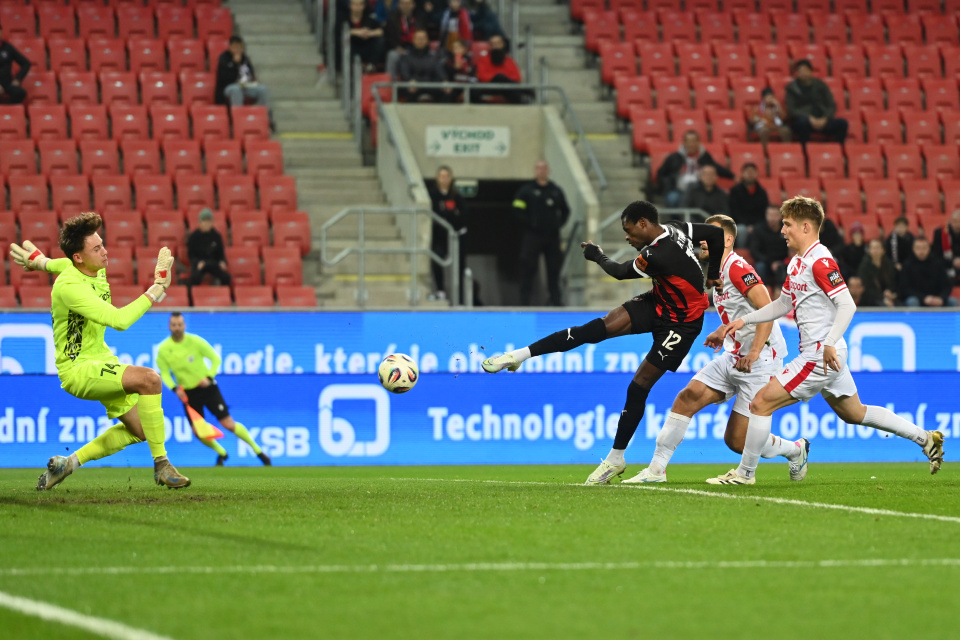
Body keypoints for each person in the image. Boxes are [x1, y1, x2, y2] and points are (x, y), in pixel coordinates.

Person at [482, 201, 726, 485]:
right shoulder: (678, 229)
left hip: (681, 324)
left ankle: (616, 459)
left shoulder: (659, 253)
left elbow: (620, 272)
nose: (627, 237)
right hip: (658, 302)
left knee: (638, 386)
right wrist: (714, 274)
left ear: (644, 223)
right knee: (592, 330)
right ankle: (519, 355)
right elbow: (715, 235)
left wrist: (597, 255)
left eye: (629, 230)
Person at [710, 195, 943, 485]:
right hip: (826, 353)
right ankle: (925, 438)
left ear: (806, 227)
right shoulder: (797, 262)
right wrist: (745, 319)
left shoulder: (820, 261)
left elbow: (848, 304)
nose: (782, 230)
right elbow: (783, 304)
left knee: (759, 403)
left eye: (787, 224)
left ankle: (745, 474)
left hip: (819, 354)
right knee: (855, 413)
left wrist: (830, 342)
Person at [9, 213, 191, 490]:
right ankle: (162, 465)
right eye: (96, 249)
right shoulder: (69, 287)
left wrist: (40, 262)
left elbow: (61, 263)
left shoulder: (91, 267)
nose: (105, 252)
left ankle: (68, 464)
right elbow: (118, 321)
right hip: (78, 370)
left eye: (102, 244)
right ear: (79, 257)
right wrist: (158, 289)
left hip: (101, 359)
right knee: (150, 380)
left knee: (144, 431)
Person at [625, 214, 806, 485]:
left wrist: (755, 351)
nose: (703, 241)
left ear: (729, 240)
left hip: (760, 359)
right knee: (688, 396)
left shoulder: (736, 267)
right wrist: (724, 331)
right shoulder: (714, 272)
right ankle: (656, 469)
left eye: (712, 235)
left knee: (736, 440)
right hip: (734, 355)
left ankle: (795, 450)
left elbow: (767, 308)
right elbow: (738, 311)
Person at [156, 313, 272, 466]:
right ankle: (222, 453)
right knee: (198, 432)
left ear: (184, 325)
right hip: (188, 394)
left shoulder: (195, 341)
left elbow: (215, 359)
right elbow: (164, 373)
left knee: (228, 423)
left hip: (208, 389)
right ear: (169, 326)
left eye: (179, 324)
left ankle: (259, 452)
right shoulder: (164, 349)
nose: (177, 328)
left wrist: (209, 377)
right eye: (173, 325)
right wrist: (175, 389)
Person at [513, 160, 570, 306]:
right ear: (535, 171)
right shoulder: (527, 190)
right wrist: (530, 223)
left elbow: (565, 210)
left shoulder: (555, 190)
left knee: (553, 268)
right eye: (539, 168)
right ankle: (524, 303)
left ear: (548, 170)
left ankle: (555, 300)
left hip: (552, 237)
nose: (541, 171)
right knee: (528, 268)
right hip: (533, 236)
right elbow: (517, 209)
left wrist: (558, 224)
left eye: (544, 168)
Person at [655, 131, 733, 208]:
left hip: (699, 190)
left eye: (693, 141)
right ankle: (676, 220)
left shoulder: (704, 157)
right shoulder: (674, 157)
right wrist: (668, 185)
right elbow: (661, 173)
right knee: (672, 199)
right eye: (688, 141)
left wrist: (732, 176)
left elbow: (715, 168)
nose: (691, 144)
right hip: (679, 189)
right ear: (684, 143)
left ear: (698, 142)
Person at [215, 36, 276, 132]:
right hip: (228, 87)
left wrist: (249, 80)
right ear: (230, 47)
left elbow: (250, 73)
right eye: (235, 47)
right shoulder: (224, 58)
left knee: (263, 89)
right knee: (236, 89)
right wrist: (235, 64)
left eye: (240, 47)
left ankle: (264, 117)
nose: (238, 49)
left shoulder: (245, 59)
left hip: (245, 86)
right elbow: (223, 78)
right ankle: (238, 120)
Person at [785, 59, 848, 145]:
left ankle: (838, 150)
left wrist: (825, 118)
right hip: (804, 120)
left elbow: (831, 105)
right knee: (802, 124)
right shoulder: (791, 88)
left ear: (811, 71)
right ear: (796, 73)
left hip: (822, 119)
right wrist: (809, 118)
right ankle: (805, 152)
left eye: (805, 70)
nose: (803, 73)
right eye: (800, 71)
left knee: (842, 123)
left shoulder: (821, 85)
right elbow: (792, 110)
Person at [428, 165, 467, 302]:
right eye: (441, 176)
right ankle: (440, 291)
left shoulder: (456, 196)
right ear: (437, 178)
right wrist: (450, 214)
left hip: (455, 237)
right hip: (439, 236)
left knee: (460, 266)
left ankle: (461, 297)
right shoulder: (432, 195)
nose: (444, 179)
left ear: (451, 179)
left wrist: (448, 215)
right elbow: (434, 214)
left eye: (447, 176)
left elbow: (462, 217)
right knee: (436, 259)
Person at [900, 236, 958, 307]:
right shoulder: (907, 265)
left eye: (924, 248)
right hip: (918, 299)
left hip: (937, 298)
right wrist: (924, 298)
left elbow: (947, 286)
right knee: (912, 301)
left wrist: (941, 298)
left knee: (953, 302)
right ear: (913, 249)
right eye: (918, 248)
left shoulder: (937, 263)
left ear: (929, 248)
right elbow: (905, 289)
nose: (921, 251)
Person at [472, 34, 525, 104]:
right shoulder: (482, 60)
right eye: (493, 44)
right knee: (499, 77)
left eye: (498, 43)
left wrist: (501, 78)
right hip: (488, 88)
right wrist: (498, 77)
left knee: (514, 91)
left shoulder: (510, 61)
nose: (495, 46)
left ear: (503, 45)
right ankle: (525, 90)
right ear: (490, 46)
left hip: (506, 89)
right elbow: (482, 77)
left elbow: (516, 78)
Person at [748, 205, 789, 292]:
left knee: (790, 265)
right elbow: (754, 251)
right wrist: (771, 262)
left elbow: (791, 248)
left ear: (780, 216)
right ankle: (764, 291)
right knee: (760, 266)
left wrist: (781, 262)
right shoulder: (759, 229)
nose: (772, 218)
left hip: (782, 261)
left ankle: (785, 292)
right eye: (769, 215)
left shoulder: (787, 229)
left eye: (775, 215)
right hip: (765, 261)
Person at [397, 29, 447, 102]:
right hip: (413, 85)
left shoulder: (434, 57)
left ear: (427, 40)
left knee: (446, 91)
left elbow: (440, 72)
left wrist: (444, 81)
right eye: (418, 38)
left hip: (431, 85)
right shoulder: (406, 57)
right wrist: (410, 81)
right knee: (409, 90)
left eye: (423, 38)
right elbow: (405, 73)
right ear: (413, 40)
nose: (420, 40)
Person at [727, 162, 769, 245]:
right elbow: (734, 211)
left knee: (763, 229)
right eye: (747, 172)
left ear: (757, 174)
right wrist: (747, 225)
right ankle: (741, 253)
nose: (750, 174)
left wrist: (755, 226)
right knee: (741, 230)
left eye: (752, 172)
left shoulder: (762, 192)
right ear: (742, 174)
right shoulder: (735, 191)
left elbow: (764, 212)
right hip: (740, 223)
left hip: (757, 224)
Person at [188, 208, 230, 286]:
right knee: (195, 278)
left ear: (212, 222)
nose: (206, 224)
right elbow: (191, 255)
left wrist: (222, 261)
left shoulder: (216, 236)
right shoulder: (194, 237)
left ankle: (227, 296)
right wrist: (197, 262)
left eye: (208, 221)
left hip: (213, 263)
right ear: (200, 222)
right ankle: (192, 296)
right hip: (200, 263)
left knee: (226, 277)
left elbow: (220, 253)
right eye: (204, 221)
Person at [385, 0, 423, 79]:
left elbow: (423, 34)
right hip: (399, 48)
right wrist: (398, 48)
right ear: (399, 5)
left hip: (416, 47)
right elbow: (390, 37)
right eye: (403, 3)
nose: (406, 6)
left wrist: (418, 48)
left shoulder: (420, 17)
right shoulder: (392, 17)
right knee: (392, 55)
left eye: (408, 3)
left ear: (413, 5)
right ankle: (390, 86)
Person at [857, 238, 897, 307]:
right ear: (869, 251)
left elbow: (893, 281)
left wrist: (889, 291)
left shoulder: (888, 264)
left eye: (877, 248)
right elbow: (867, 289)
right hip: (871, 298)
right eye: (873, 248)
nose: (875, 251)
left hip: (887, 296)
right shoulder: (864, 266)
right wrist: (882, 298)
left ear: (883, 250)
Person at [347, 0, 386, 72]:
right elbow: (340, 31)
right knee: (345, 42)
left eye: (360, 5)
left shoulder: (368, 18)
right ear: (350, 5)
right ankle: (352, 66)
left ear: (363, 6)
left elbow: (381, 31)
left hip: (366, 48)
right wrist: (357, 32)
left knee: (380, 40)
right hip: (352, 48)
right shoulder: (345, 19)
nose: (357, 7)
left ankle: (371, 65)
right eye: (355, 4)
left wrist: (369, 33)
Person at [0, 25, 30, 104]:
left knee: (20, 93)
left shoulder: (7, 47)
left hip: (6, 84)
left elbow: (26, 63)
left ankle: (6, 110)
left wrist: (18, 79)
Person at [931, 209, 960, 285]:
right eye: (955, 221)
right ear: (950, 221)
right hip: (946, 263)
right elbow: (936, 255)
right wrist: (953, 261)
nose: (957, 224)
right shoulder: (940, 233)